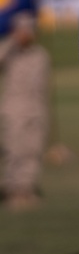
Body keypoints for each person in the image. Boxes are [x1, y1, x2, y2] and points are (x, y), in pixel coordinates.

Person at [0, 12, 51, 211]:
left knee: (33, 150)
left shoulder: (40, 55)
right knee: (15, 150)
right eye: (23, 29)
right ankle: (12, 189)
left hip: (36, 109)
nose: (27, 33)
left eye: (30, 29)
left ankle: (26, 189)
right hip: (14, 109)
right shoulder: (9, 52)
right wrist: (13, 42)